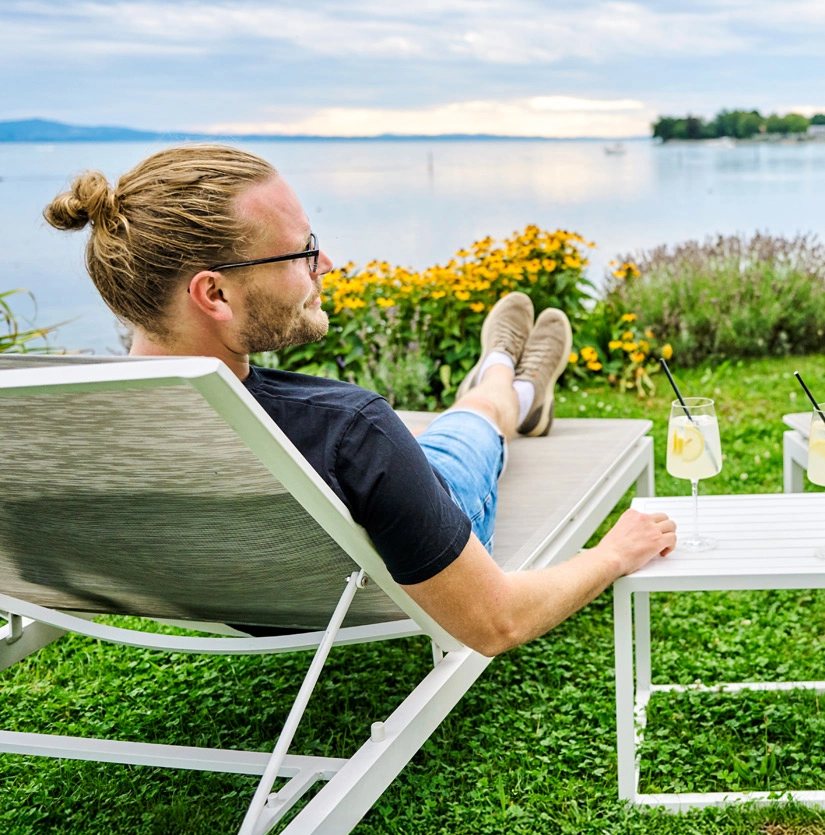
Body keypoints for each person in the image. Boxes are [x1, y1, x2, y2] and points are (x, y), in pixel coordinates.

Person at [44, 144, 675, 654]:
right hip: (411, 525)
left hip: (233, 586)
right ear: (214, 295)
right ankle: (508, 383)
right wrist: (614, 552)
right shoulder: (351, 433)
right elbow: (496, 621)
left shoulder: (52, 425)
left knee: (452, 431)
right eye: (303, 252)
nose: (329, 264)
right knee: (473, 428)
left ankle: (509, 376)